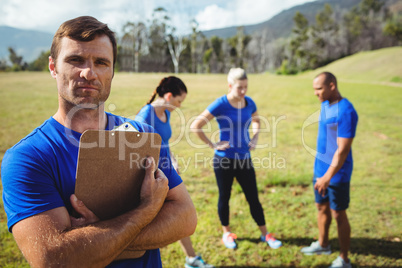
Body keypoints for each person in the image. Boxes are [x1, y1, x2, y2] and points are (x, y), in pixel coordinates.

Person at [1, 16, 197, 268]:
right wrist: (145, 212)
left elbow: (185, 218)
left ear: (113, 70)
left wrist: (95, 238)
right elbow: (52, 259)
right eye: (75, 60)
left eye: (101, 62)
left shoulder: (142, 135)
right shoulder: (28, 157)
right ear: (53, 67)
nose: (89, 72)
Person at [190, 68, 282, 250]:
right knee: (225, 196)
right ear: (230, 86)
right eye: (239, 87)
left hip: (244, 159)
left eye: (246, 87)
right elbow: (196, 125)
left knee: (253, 198)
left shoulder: (249, 103)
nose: (243, 91)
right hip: (224, 160)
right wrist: (212, 144)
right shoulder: (220, 104)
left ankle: (265, 234)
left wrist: (255, 137)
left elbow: (256, 120)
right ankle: (227, 233)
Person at [136, 76, 214, 268]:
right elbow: (136, 151)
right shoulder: (145, 116)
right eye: (179, 102)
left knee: (178, 213)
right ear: (169, 96)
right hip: (151, 177)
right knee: (167, 217)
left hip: (166, 173)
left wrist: (172, 159)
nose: (179, 106)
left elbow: (165, 143)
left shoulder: (166, 113)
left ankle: (191, 259)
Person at [301, 72, 358, 268]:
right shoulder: (326, 104)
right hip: (320, 170)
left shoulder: (346, 111)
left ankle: (344, 259)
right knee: (321, 207)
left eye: (319, 88)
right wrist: (320, 173)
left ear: (332, 85)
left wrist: (327, 176)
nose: (316, 93)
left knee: (338, 214)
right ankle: (323, 244)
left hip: (337, 174)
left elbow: (342, 151)